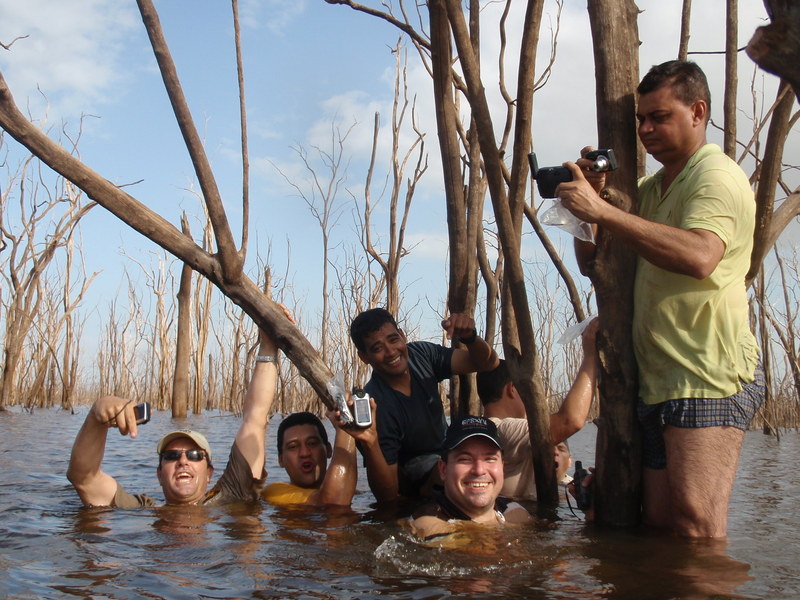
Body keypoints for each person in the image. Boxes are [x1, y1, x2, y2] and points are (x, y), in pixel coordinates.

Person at [556, 59, 764, 537]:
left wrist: (604, 213)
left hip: (706, 373)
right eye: (641, 119)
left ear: (697, 111)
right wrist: (592, 204)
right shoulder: (651, 189)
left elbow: (700, 256)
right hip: (658, 380)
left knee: (698, 527)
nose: (646, 128)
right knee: (665, 527)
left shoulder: (715, 176)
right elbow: (594, 264)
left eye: (659, 116)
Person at [67, 310, 289, 508]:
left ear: (209, 473)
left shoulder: (231, 497)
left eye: (194, 456)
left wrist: (268, 344)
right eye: (172, 456)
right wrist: (96, 416)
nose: (183, 461)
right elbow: (84, 479)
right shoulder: (143, 510)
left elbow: (255, 418)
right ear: (159, 474)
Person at [349, 308, 499, 502]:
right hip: (418, 477)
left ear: (402, 336)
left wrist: (470, 338)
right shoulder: (377, 403)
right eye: (377, 348)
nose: (390, 352)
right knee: (449, 469)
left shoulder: (421, 354)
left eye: (394, 340)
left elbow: (488, 363)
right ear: (364, 357)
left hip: (448, 455)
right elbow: (388, 495)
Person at [476, 318, 599, 499]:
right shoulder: (502, 429)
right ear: (512, 388)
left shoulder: (489, 428)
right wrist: (590, 356)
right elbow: (570, 420)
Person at [408, 415, 531, 541]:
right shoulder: (428, 524)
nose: (479, 470)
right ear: (444, 470)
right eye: (465, 459)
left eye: (490, 459)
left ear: (502, 466)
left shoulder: (513, 510)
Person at [260, 408, 365, 506]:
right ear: (280, 460)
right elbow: (333, 502)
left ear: (328, 450)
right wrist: (345, 425)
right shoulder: (273, 493)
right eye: (293, 447)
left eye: (312, 443)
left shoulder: (354, 493)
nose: (305, 453)